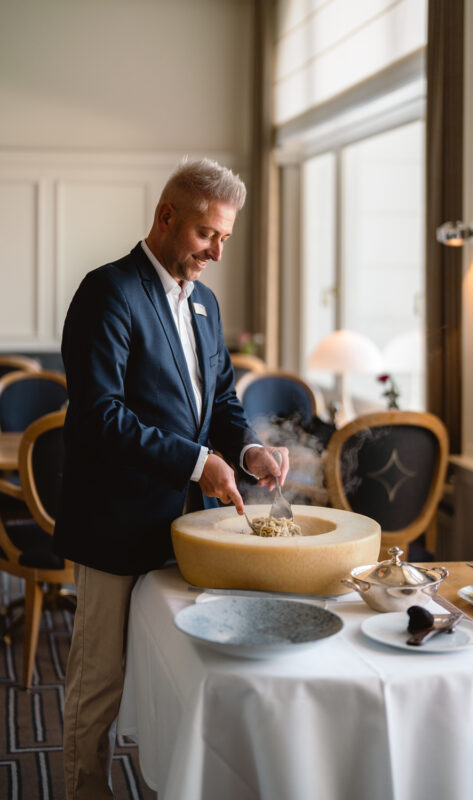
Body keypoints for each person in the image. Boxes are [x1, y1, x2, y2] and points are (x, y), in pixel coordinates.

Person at [54, 157, 289, 799]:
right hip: (115, 524)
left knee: (178, 670)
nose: (216, 251)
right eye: (206, 235)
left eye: (224, 239)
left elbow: (222, 404)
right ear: (165, 217)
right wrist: (196, 462)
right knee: (98, 681)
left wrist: (248, 453)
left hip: (188, 529)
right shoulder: (107, 291)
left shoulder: (206, 305)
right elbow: (102, 416)